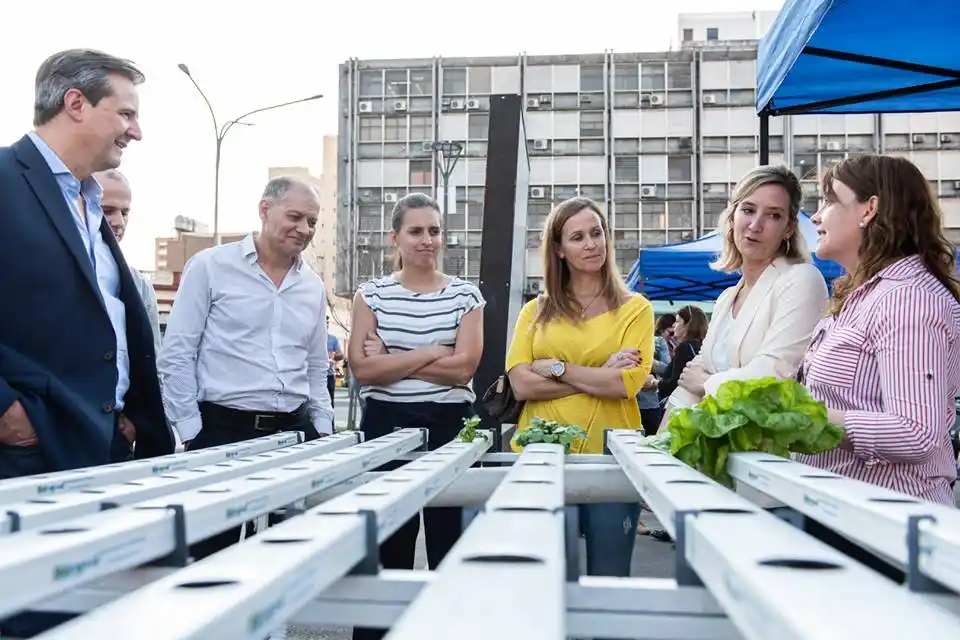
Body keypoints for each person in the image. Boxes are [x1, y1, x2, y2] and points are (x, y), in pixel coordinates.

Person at [0, 47, 173, 639]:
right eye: (125, 113)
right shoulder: (3, 179)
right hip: (28, 451)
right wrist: (7, 411)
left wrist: (122, 414)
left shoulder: (89, 202)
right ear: (75, 104)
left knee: (92, 618)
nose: (137, 130)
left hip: (102, 450)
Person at [157, 176, 334, 560]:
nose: (304, 229)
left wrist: (322, 428)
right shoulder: (210, 267)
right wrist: (191, 430)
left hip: (294, 432)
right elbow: (177, 353)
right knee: (209, 558)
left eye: (312, 222)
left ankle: (276, 623)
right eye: (295, 217)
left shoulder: (312, 286)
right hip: (221, 431)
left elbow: (317, 364)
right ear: (264, 209)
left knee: (284, 556)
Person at [348, 192, 484, 640]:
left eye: (434, 231)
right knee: (388, 545)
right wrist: (431, 352)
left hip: (450, 426)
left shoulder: (466, 295)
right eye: (416, 231)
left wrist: (396, 357)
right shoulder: (371, 295)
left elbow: (465, 368)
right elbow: (365, 369)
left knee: (450, 545)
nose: (428, 240)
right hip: (385, 421)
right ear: (396, 237)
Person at [797, 154, 959, 511]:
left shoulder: (908, 299)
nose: (816, 216)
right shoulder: (861, 295)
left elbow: (916, 433)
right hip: (845, 512)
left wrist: (803, 417)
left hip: (889, 523)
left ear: (869, 210)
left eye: (829, 200)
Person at [506, 196, 654, 580]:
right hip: (541, 454)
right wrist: (597, 374)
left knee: (610, 577)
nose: (591, 244)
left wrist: (555, 368)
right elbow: (520, 384)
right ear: (559, 249)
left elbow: (626, 383)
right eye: (577, 237)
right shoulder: (534, 311)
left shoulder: (636, 308)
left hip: (612, 456)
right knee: (549, 579)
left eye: (596, 233)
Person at [662, 165, 828, 417]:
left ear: (789, 228)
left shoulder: (801, 279)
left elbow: (774, 375)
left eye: (773, 215)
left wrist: (706, 383)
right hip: (709, 444)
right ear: (732, 216)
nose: (755, 225)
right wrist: (657, 447)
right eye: (748, 210)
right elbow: (688, 382)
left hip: (764, 451)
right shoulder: (727, 298)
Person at [95, 169, 162, 353]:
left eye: (124, 213)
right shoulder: (56, 270)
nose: (119, 222)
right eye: (107, 211)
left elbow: (151, 353)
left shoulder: (140, 284)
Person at [326, 317, 344, 406]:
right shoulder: (312, 338)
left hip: (329, 375)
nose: (326, 325)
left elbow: (341, 355)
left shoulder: (333, 339)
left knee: (330, 402)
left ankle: (331, 420)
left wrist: (333, 356)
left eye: (327, 323)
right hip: (314, 375)